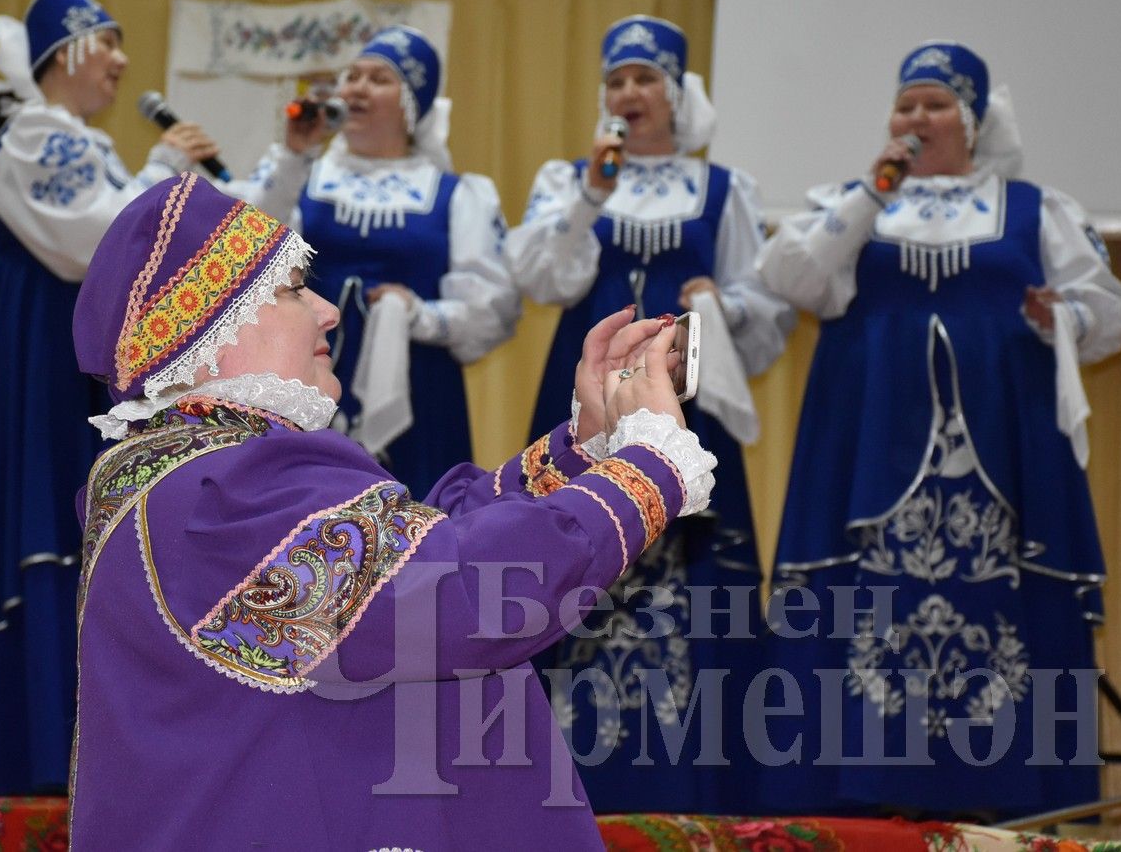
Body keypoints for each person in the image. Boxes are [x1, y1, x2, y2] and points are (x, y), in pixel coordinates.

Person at [66, 172, 717, 850]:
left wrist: (587, 448)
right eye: (291, 289)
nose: (328, 310)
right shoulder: (221, 489)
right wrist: (648, 465)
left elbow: (404, 563)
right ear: (208, 334)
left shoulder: (192, 472)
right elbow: (457, 593)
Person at [755, 41, 1121, 819]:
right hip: (865, 459)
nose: (916, 118)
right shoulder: (850, 203)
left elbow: (1109, 313)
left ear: (970, 120)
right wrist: (871, 191)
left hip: (1002, 458)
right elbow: (790, 278)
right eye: (905, 104)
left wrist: (1057, 316)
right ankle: (849, 810)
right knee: (860, 618)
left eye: (934, 104)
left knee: (1002, 624)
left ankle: (1009, 806)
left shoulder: (1037, 208)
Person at [0, 0, 221, 796]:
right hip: (45, 367)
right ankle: (29, 755)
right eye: (107, 43)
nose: (122, 62)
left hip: (79, 365)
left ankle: (90, 754)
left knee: (89, 532)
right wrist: (162, 173)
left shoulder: (80, 144)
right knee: (51, 522)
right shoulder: (34, 140)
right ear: (64, 54)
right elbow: (94, 244)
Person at [503, 14, 794, 814]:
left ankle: (702, 785)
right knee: (569, 549)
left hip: (685, 410)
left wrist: (715, 302)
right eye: (616, 81)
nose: (628, 94)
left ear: (674, 93)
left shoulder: (722, 188)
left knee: (693, 576)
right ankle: (556, 784)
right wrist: (589, 196)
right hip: (586, 402)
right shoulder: (572, 179)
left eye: (643, 80)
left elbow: (768, 312)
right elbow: (541, 278)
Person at [239, 25, 519, 499]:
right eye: (354, 76)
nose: (357, 88)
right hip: (307, 368)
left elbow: (493, 308)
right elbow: (247, 246)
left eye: (378, 79)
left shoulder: (457, 194)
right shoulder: (304, 173)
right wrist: (293, 153)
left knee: (416, 508)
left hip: (419, 387)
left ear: (411, 104)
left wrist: (418, 314)